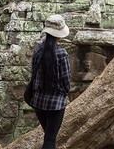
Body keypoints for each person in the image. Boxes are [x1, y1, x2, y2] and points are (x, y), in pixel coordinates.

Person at [29, 14, 71, 149]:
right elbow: (66, 82)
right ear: (59, 35)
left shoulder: (38, 49)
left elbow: (34, 73)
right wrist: (65, 92)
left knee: (48, 135)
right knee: (50, 140)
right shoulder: (62, 54)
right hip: (56, 104)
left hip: (38, 102)